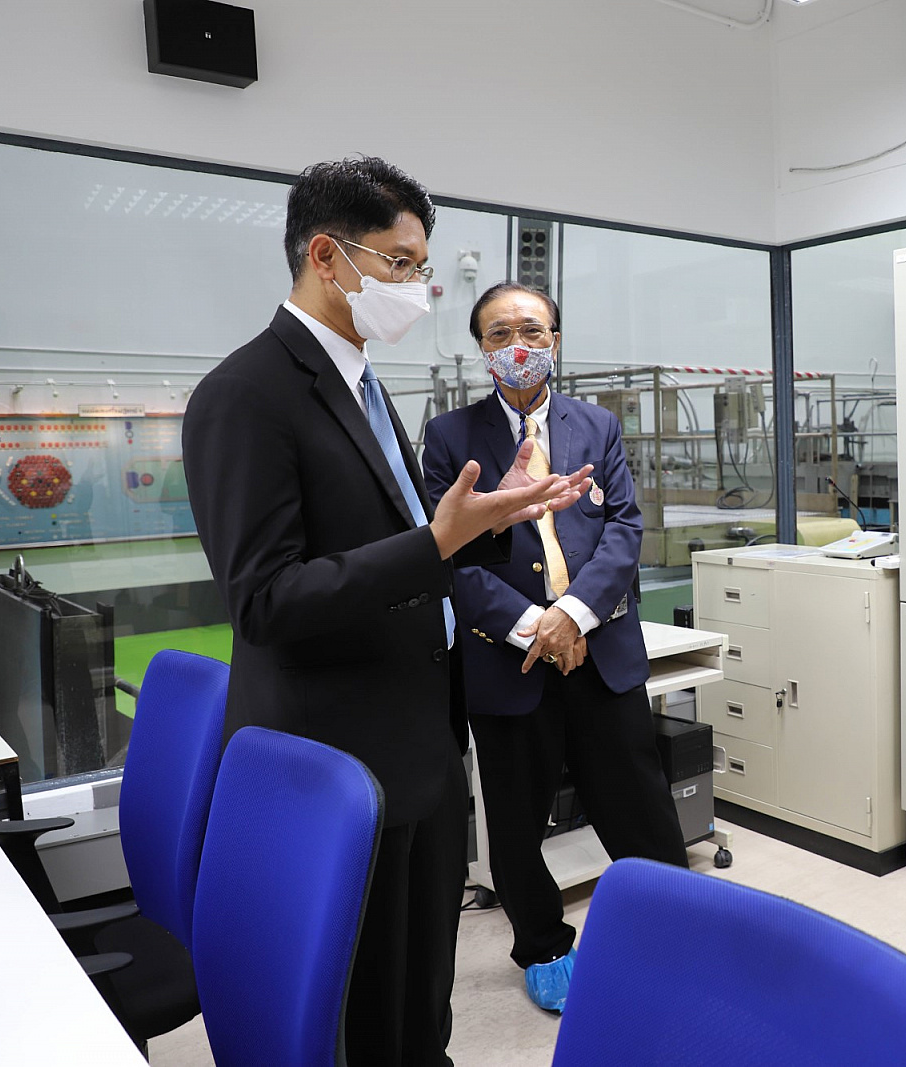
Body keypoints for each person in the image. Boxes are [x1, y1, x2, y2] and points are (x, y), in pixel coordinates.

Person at [182, 157, 590, 1066]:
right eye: (400, 263)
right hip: (339, 754)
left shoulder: (362, 384)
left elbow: (400, 544)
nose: (415, 286)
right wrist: (437, 542)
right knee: (366, 1009)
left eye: (420, 266)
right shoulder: (246, 395)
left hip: (422, 741)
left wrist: (488, 524)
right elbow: (266, 599)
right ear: (326, 256)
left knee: (419, 998)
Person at [422, 282, 687, 1014]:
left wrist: (572, 614)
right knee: (514, 823)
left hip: (599, 651)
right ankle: (542, 945)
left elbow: (624, 527)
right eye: (500, 333)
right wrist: (533, 625)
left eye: (533, 331)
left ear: (556, 341)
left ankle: (677, 934)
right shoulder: (450, 438)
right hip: (508, 657)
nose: (519, 346)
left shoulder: (596, 425)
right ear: (481, 350)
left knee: (640, 808)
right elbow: (449, 555)